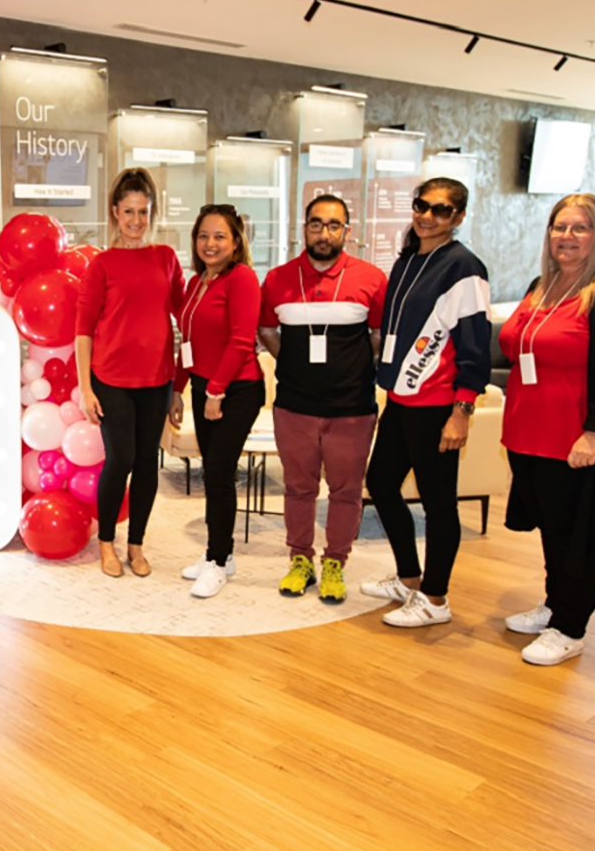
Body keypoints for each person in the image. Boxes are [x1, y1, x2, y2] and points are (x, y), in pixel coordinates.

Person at [499, 194, 595, 665]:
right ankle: (556, 604)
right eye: (559, 227)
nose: (566, 237)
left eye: (580, 228)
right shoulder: (542, 286)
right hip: (529, 434)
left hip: (580, 439)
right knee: (554, 528)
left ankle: (571, 627)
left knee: (580, 534)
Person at [361, 178, 491, 627]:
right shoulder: (408, 259)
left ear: (457, 218)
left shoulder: (463, 267)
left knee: (438, 505)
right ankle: (409, 578)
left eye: (441, 210)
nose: (427, 216)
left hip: (437, 404)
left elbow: (475, 345)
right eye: (422, 206)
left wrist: (462, 410)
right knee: (380, 483)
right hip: (402, 398)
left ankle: (435, 599)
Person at [258, 195, 388, 603]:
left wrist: (349, 372)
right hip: (294, 406)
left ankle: (335, 562)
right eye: (316, 224)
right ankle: (300, 560)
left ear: (347, 231)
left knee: (346, 490)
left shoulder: (371, 278)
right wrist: (295, 365)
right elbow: (266, 332)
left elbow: (378, 338)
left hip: (352, 408)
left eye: (334, 225)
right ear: (304, 229)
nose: (324, 233)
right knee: (298, 488)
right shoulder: (278, 278)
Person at [74, 168, 184, 578]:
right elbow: (83, 330)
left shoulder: (165, 258)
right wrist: (86, 389)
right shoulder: (101, 265)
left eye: (143, 211)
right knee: (119, 461)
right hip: (111, 379)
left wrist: (180, 386)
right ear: (115, 213)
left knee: (147, 464)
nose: (136, 220)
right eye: (128, 212)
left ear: (151, 213)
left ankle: (135, 545)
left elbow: (183, 315)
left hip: (157, 380)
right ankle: (107, 544)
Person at [168, 204, 263, 598]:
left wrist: (216, 391)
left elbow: (242, 340)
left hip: (235, 390)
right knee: (213, 474)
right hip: (205, 387)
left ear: (236, 241)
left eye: (220, 236)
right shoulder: (196, 283)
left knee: (220, 475)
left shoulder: (242, 279)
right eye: (203, 236)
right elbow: (188, 343)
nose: (210, 243)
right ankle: (218, 555)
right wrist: (177, 388)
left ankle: (219, 560)